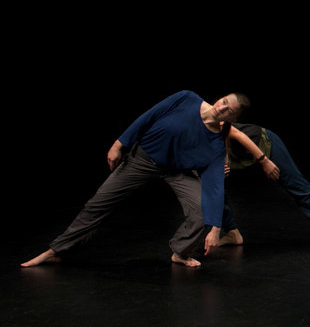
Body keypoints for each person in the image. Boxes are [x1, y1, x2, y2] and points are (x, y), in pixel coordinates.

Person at [21, 90, 250, 268]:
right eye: (223, 101)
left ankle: (181, 253)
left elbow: (215, 187)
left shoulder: (216, 145)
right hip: (143, 159)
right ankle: (55, 251)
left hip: (175, 171)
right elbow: (149, 116)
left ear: (233, 118)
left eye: (229, 110)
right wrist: (119, 143)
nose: (222, 108)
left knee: (202, 212)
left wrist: (215, 228)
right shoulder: (187, 99)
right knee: (98, 204)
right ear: (220, 98)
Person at [218, 123, 310, 248]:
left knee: (295, 183)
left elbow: (237, 134)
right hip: (238, 156)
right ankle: (232, 232)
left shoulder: (209, 118)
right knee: (214, 190)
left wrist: (264, 160)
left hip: (262, 144)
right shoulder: (198, 138)